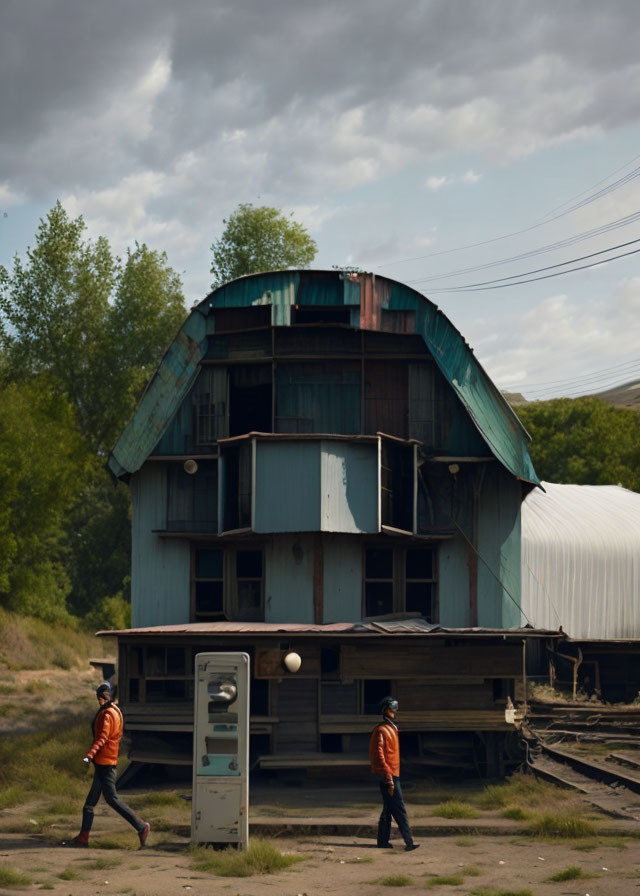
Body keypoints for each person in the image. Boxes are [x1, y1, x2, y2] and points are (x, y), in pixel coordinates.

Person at [62, 682, 150, 849]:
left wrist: (89, 755)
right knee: (90, 804)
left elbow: (102, 738)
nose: (101, 700)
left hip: (105, 764)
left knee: (112, 799)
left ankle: (141, 827)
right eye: (101, 697)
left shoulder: (108, 714)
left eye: (102, 697)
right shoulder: (115, 711)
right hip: (105, 762)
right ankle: (83, 838)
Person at [369, 696, 419, 851]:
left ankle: (382, 841)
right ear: (385, 711)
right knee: (399, 808)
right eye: (391, 709)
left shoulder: (391, 728)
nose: (394, 712)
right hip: (388, 773)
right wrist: (388, 775)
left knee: (388, 808)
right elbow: (379, 754)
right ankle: (408, 842)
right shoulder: (382, 730)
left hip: (392, 772)